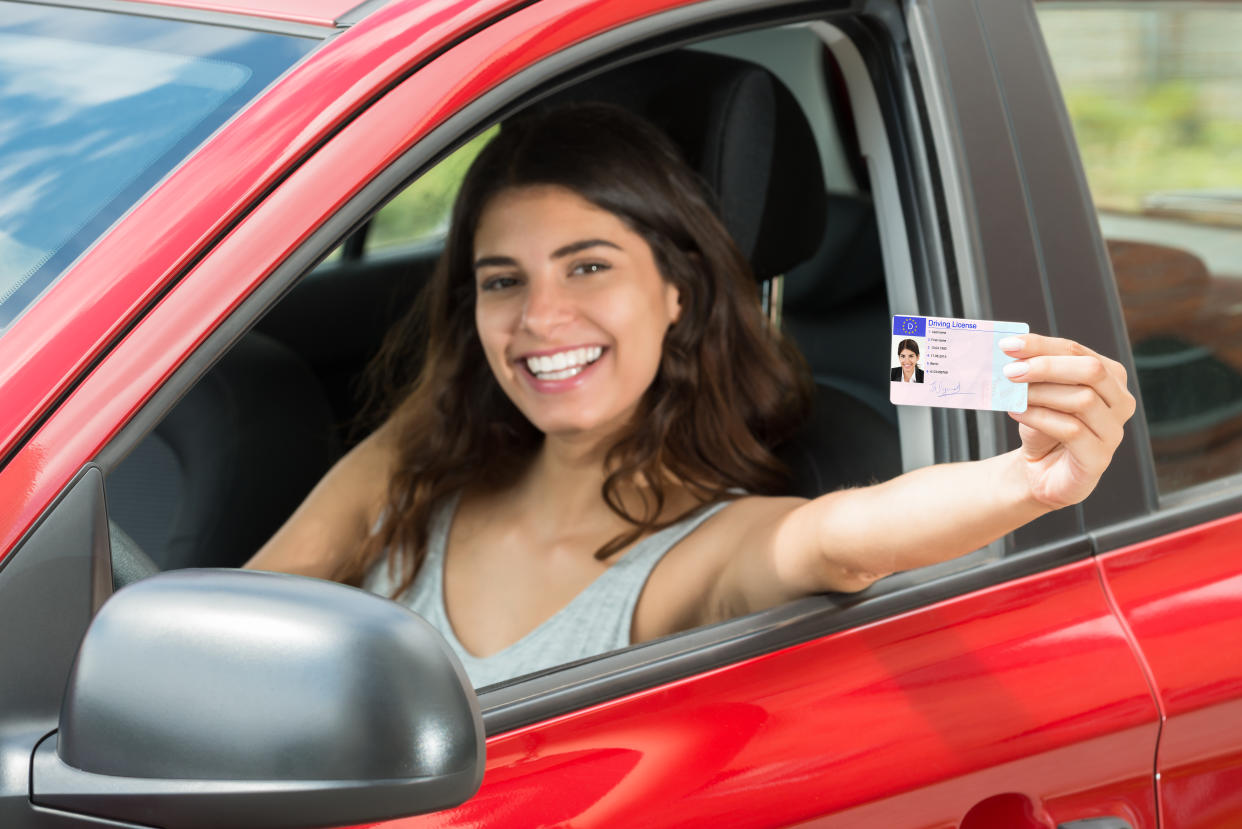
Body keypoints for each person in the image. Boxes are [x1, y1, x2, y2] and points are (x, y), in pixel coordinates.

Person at [245, 103, 1136, 687]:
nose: (541, 317)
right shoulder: (422, 453)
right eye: (502, 280)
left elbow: (837, 542)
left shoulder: (699, 553)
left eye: (589, 266)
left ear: (677, 292)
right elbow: (242, 624)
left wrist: (1029, 483)